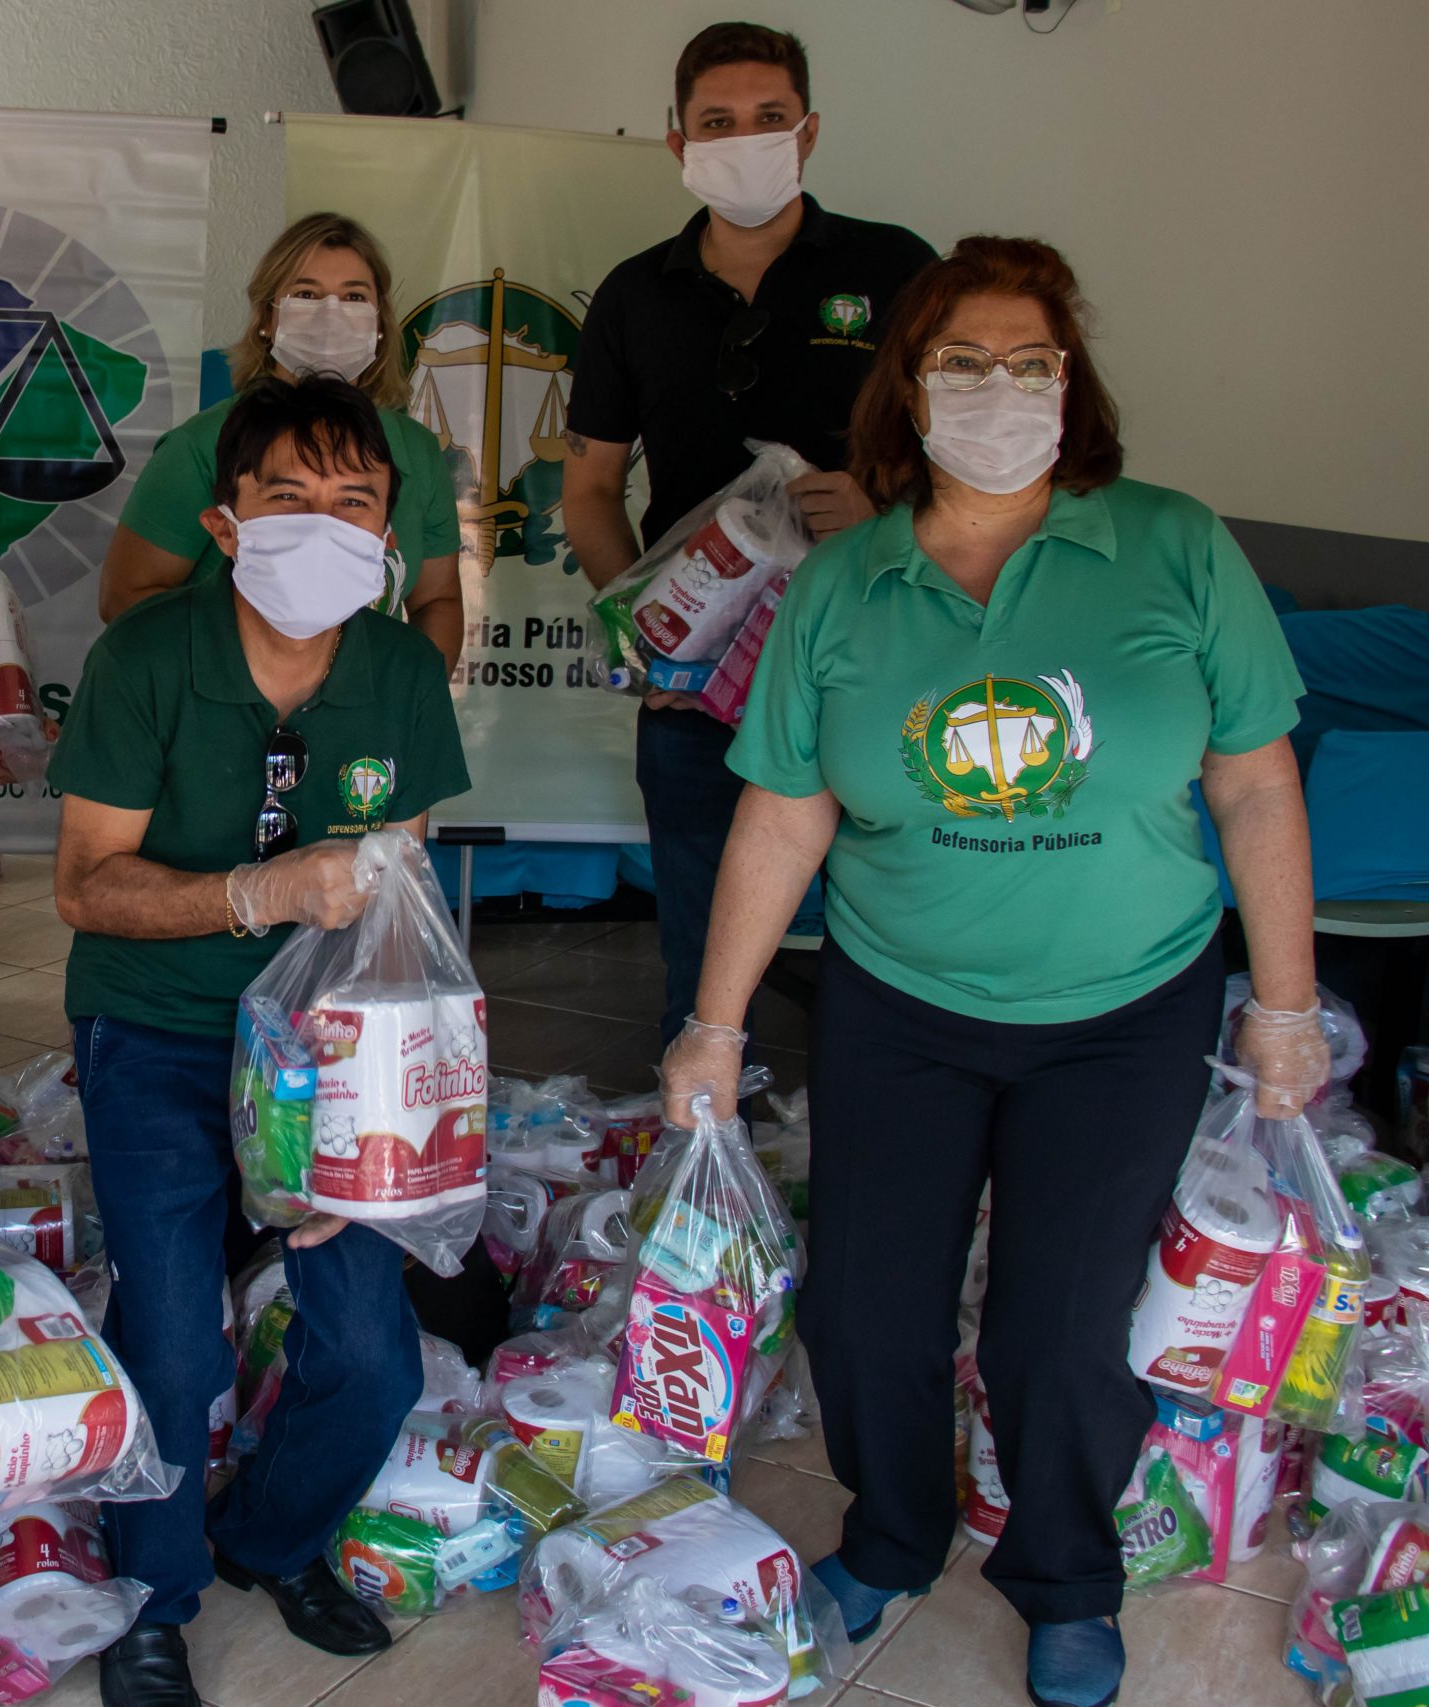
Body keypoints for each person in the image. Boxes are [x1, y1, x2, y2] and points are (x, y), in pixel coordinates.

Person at [662, 237, 1327, 1707]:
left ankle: (1067, 1577)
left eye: (1030, 362)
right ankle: (893, 1532)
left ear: (1071, 384)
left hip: (1123, 1011)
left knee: (1059, 1329)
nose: (997, 388)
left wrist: (1284, 1004)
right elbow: (783, 810)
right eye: (961, 361)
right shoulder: (844, 581)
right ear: (908, 386)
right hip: (900, 1004)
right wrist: (712, 1025)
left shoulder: (1172, 544)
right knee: (865, 1314)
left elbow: (1255, 782)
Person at [51, 376, 472, 1707]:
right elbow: (85, 885)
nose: (322, 525)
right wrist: (254, 892)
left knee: (372, 1354)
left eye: (354, 502)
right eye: (287, 496)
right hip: (159, 1027)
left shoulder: (399, 671)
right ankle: (152, 1597)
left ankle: (269, 1535)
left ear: (389, 536)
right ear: (225, 522)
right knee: (177, 1343)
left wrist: (369, 1118)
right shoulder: (146, 658)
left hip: (326, 1049)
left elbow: (400, 904)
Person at [561, 21, 937, 1044]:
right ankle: (705, 1107)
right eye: (717, 122)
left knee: (891, 915)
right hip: (697, 671)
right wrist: (637, 626)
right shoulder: (635, 295)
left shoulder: (898, 269)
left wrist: (887, 514)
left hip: (869, 650)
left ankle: (883, 1095)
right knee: (702, 927)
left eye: (769, 118)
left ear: (808, 132)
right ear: (678, 143)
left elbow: (970, 460)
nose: (745, 139)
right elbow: (589, 488)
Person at [97, 213, 466, 669]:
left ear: (379, 323)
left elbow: (437, 599)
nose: (331, 314)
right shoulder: (202, 445)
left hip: (363, 706)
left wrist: (410, 697)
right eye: (306, 294)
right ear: (267, 318)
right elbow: (125, 597)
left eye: (354, 296)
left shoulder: (416, 450)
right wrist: (248, 679)